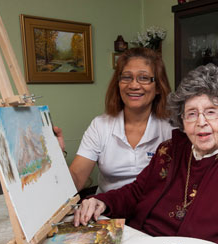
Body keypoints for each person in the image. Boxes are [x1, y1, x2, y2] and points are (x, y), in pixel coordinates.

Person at [73, 63, 218, 244]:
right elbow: (135, 193)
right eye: (192, 114)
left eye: (211, 112)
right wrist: (102, 201)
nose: (201, 122)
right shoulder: (169, 150)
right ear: (182, 120)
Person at [56, 47, 174, 193]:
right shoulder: (100, 125)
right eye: (126, 77)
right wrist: (55, 156)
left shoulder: (172, 128)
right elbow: (75, 182)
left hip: (153, 210)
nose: (134, 85)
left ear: (158, 87)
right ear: (118, 84)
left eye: (144, 78)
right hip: (108, 210)